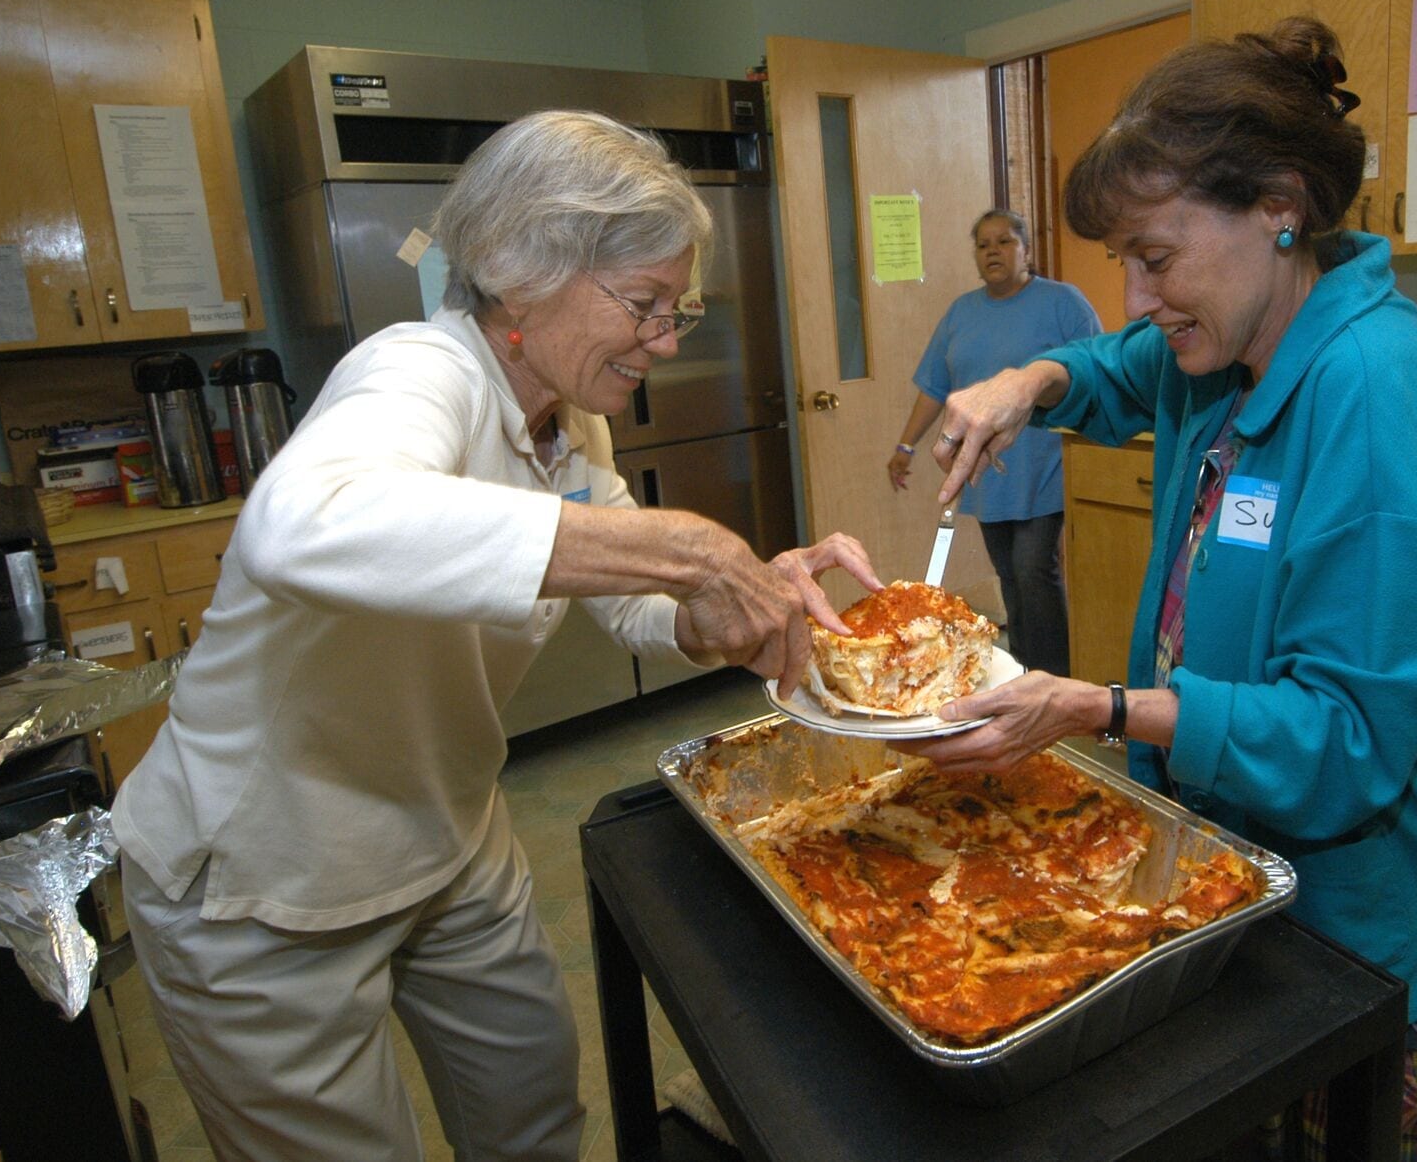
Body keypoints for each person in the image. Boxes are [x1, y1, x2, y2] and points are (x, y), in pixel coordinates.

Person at [112, 111, 880, 1162]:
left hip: (452, 831)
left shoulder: (571, 415)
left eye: (677, 307)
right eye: (643, 306)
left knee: (532, 1120)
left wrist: (719, 614)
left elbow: (625, 605)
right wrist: (687, 546)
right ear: (521, 274)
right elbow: (303, 523)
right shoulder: (417, 371)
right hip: (267, 876)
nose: (664, 340)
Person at [909, 21, 1417, 1161]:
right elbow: (1108, 367)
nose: (1134, 295)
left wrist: (1099, 709)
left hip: (1354, 927)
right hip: (1236, 880)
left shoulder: (1369, 393)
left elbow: (1343, 740)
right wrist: (1022, 381)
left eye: (1154, 256)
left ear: (1278, 203)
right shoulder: (1221, 341)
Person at [885, 209, 1101, 675]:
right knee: (1010, 575)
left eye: (1004, 242)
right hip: (987, 470)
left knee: (1032, 569)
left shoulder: (1064, 302)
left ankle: (1052, 678)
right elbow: (933, 386)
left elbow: (1097, 371)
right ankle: (1022, 671)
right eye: (983, 245)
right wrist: (905, 446)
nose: (993, 252)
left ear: (1027, 250)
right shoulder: (962, 312)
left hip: (1045, 464)